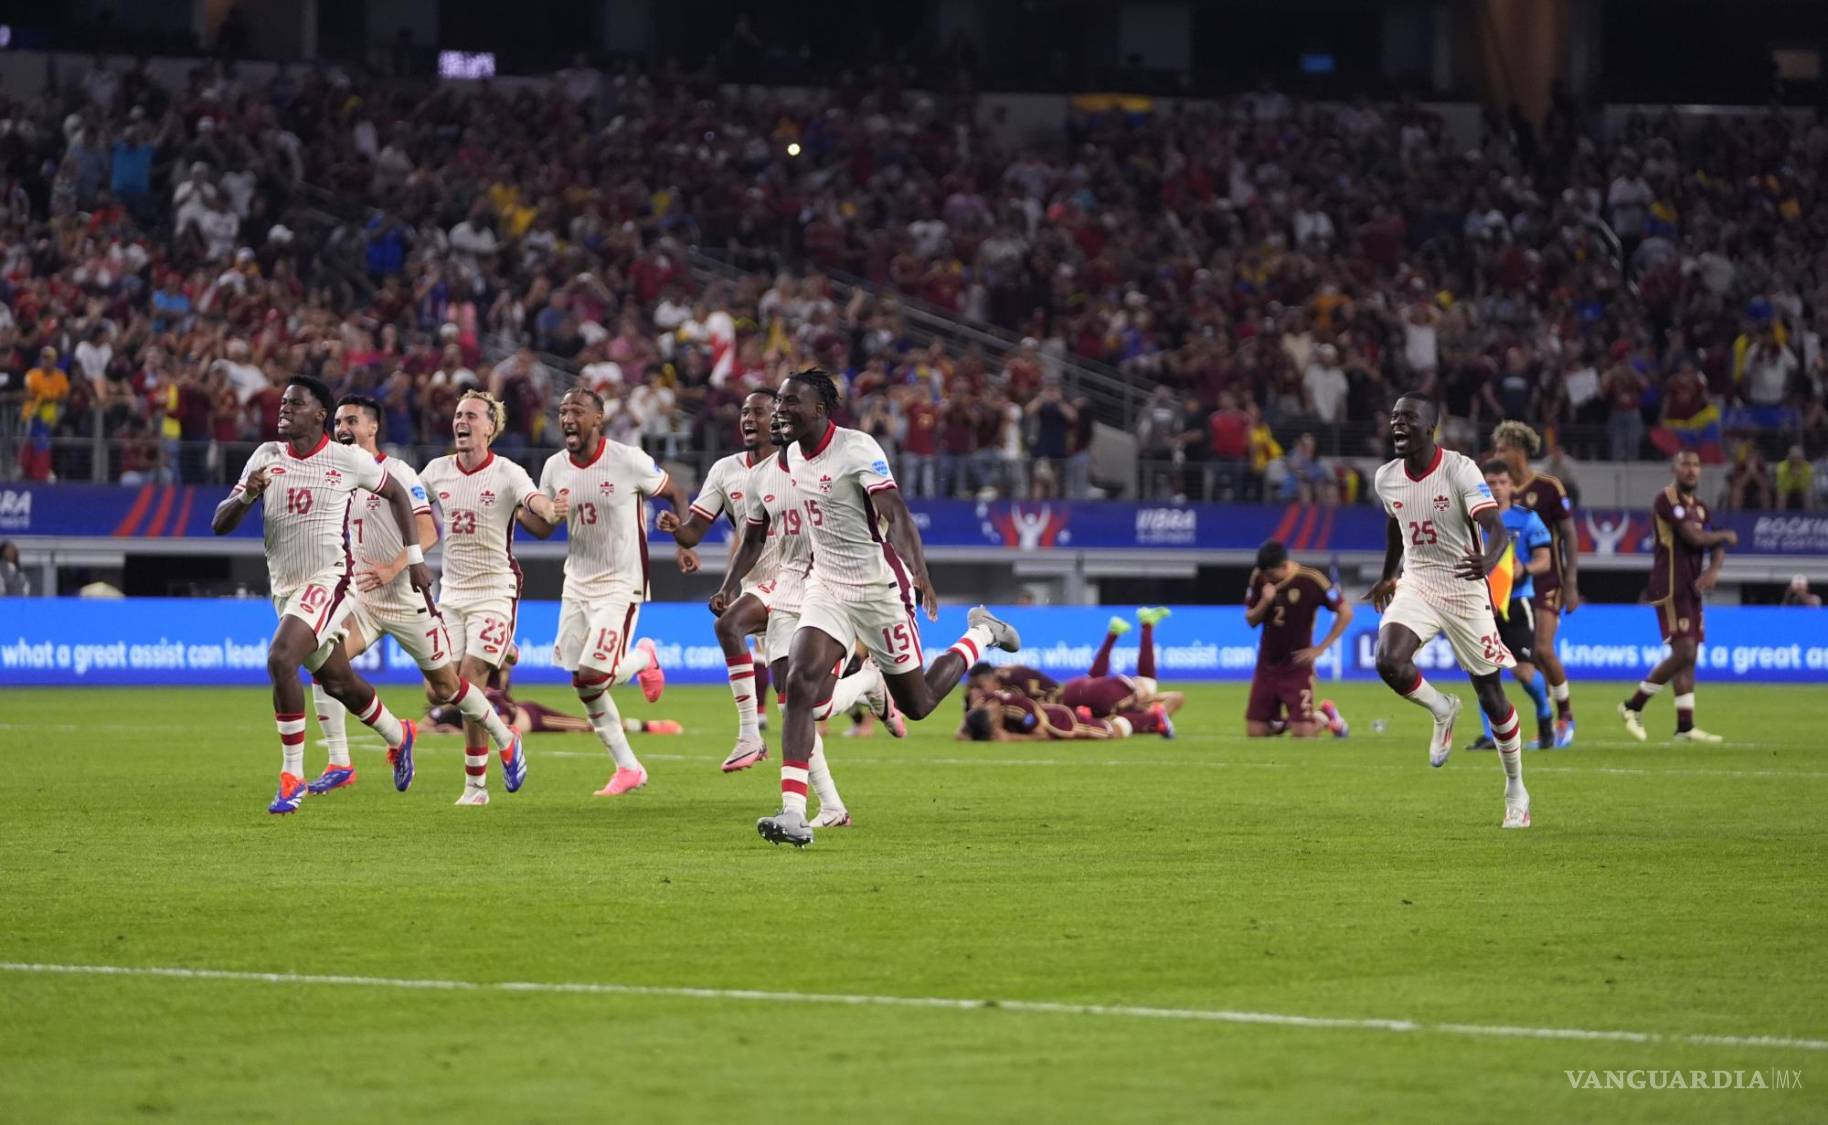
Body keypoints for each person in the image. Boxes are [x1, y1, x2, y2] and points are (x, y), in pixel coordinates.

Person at [749, 370, 1020, 847]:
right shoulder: (791, 455)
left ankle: (982, 633)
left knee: (917, 705)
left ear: (818, 409)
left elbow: (895, 511)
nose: (780, 410)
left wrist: (920, 571)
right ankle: (793, 813)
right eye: (779, 402)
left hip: (878, 588)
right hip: (826, 585)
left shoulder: (857, 449)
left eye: (791, 402)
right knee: (800, 681)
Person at [210, 375, 427, 815]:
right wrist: (249, 493)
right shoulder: (266, 455)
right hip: (286, 589)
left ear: (319, 414)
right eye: (283, 403)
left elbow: (399, 495)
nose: (284, 410)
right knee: (338, 680)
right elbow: (220, 522)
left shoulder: (347, 460)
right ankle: (399, 734)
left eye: (295, 404)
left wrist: (415, 555)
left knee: (280, 659)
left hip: (328, 580)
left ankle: (292, 776)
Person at [305, 395, 527, 795]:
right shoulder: (336, 477)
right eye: (337, 423)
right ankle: (350, 756)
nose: (342, 429)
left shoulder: (399, 472)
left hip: (409, 601)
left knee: (445, 689)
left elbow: (427, 532)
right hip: (365, 601)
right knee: (325, 661)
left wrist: (394, 566)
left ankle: (506, 739)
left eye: (351, 421)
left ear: (373, 428)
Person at [710, 411, 904, 828]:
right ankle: (829, 807)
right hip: (784, 590)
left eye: (778, 412)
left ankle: (870, 679)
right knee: (793, 707)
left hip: (830, 590)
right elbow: (753, 540)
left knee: (813, 705)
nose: (774, 421)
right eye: (771, 414)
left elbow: (877, 513)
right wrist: (730, 585)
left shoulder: (830, 463)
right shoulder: (759, 477)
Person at [1367, 394, 1531, 829]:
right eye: (1395, 417)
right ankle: (1442, 709)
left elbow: (1495, 526)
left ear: (1430, 427)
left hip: (1463, 585)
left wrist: (1490, 561)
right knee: (1388, 660)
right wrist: (1388, 575)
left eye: (1409, 418)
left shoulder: (1459, 469)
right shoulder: (1386, 478)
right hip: (1418, 582)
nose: (1398, 424)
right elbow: (1394, 525)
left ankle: (1516, 789)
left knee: (1491, 696)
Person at [527, 387, 692, 797]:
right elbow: (545, 527)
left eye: (577, 411)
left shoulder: (627, 460)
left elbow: (674, 491)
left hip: (620, 583)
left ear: (598, 419)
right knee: (583, 684)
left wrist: (685, 540)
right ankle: (628, 767)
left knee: (593, 674)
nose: (567, 417)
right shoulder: (554, 468)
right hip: (576, 583)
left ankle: (642, 656)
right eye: (563, 410)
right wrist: (518, 512)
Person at [419, 390, 560, 805]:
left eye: (471, 416)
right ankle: (504, 652)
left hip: (496, 590)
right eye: (458, 415)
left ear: (490, 427)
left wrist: (551, 509)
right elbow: (402, 497)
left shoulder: (507, 472)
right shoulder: (437, 471)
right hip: (452, 593)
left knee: (469, 681)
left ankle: (475, 786)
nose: (461, 422)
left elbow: (536, 502)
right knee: (439, 691)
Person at [665, 390, 789, 771]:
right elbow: (694, 532)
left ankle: (750, 734)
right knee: (796, 701)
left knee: (730, 627)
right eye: (744, 412)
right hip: (756, 583)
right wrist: (676, 530)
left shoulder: (797, 466)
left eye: (759, 412)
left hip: (797, 579)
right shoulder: (726, 471)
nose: (748, 418)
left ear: (779, 419)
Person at [1619, 451, 1735, 743]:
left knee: (1690, 654)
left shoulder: (1702, 508)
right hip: (1670, 585)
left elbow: (1715, 542)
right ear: (1674, 469)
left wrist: (1714, 570)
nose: (1692, 470)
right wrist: (1723, 538)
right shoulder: (1667, 500)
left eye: (1696, 465)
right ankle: (1632, 705)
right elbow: (1695, 538)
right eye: (1686, 465)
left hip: (1692, 588)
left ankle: (1685, 726)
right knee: (1683, 651)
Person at [1492, 421, 1580, 745]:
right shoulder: (1495, 489)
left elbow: (1569, 535)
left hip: (1546, 579)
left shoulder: (1547, 487)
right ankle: (1524, 723)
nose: (1498, 454)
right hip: (1505, 588)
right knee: (1510, 662)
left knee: (1542, 650)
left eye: (1503, 448)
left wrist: (1571, 582)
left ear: (1520, 450)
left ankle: (1565, 718)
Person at [1468, 461, 1557, 751]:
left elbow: (1545, 560)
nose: (1496, 488)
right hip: (1481, 604)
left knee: (1523, 672)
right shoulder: (1470, 521)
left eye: (1501, 482)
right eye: (1489, 483)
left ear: (1511, 486)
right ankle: (1491, 735)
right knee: (1483, 672)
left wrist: (1525, 569)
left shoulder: (1527, 520)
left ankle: (1545, 716)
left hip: (1518, 602)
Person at [1242, 540, 1351, 738]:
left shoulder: (1312, 579)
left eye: (1271, 575)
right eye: (1264, 574)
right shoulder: (1259, 577)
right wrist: (1264, 602)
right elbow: (1250, 620)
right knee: (1255, 732)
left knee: (1303, 734)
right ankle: (1292, 722)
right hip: (1267, 664)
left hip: (1297, 665)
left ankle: (1326, 718)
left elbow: (1346, 613)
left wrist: (1320, 648)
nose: (1267, 579)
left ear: (1284, 566)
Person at [1053, 609, 1186, 725]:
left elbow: (1175, 697)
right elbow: (1177, 697)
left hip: (1073, 690)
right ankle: (1143, 625)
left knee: (1094, 681)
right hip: (1087, 692)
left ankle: (1128, 629)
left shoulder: (1134, 712)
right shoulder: (1138, 716)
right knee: (1147, 684)